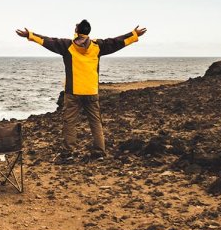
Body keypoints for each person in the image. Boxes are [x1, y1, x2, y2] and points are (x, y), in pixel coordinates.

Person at [16, 20, 147, 160]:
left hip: (73, 92)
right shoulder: (98, 46)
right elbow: (116, 42)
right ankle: (99, 152)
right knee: (95, 122)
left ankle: (69, 153)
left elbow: (48, 41)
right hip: (91, 91)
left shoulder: (67, 46)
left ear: (77, 30)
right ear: (88, 31)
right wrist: (133, 35)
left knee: (70, 122)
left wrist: (30, 35)